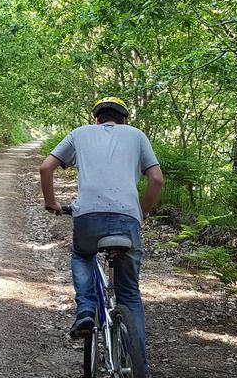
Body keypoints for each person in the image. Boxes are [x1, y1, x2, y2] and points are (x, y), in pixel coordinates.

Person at [39, 97, 163, 362]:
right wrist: (143, 212)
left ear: (97, 118)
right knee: (129, 293)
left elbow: (46, 167)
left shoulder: (80, 134)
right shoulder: (137, 135)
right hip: (127, 219)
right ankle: (137, 362)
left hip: (88, 217)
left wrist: (51, 202)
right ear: (124, 119)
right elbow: (157, 179)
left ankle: (85, 309)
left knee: (82, 255)